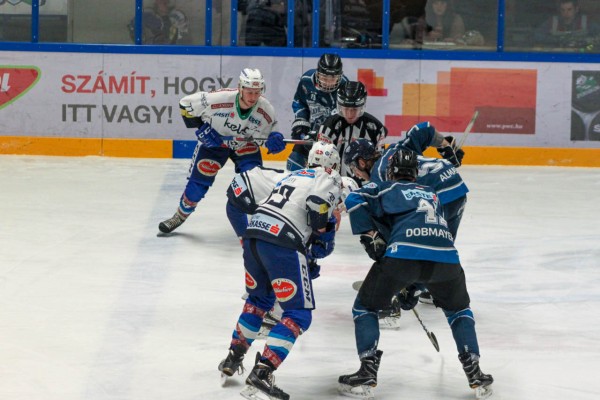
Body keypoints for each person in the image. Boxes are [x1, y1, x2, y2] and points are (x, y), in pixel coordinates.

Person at [338, 149, 493, 400]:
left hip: (403, 257)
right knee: (459, 311)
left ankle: (367, 370)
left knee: (365, 307)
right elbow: (427, 242)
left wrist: (370, 236)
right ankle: (474, 371)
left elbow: (354, 198)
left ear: (391, 171)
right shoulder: (432, 195)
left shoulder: (386, 188)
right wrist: (415, 288)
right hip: (447, 260)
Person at [218, 142, 343, 400]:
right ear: (334, 165)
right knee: (298, 314)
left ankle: (233, 356)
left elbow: (243, 182)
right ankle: (262, 371)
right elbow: (318, 208)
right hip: (283, 241)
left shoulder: (289, 175)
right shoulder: (329, 177)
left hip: (254, 234)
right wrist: (325, 229)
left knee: (258, 301)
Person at [344, 123, 468, 304]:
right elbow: (423, 129)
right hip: (457, 188)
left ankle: (403, 284)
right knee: (439, 242)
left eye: (353, 168)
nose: (356, 174)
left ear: (361, 162)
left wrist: (374, 238)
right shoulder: (396, 149)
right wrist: (447, 146)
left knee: (393, 225)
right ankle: (425, 286)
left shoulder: (380, 178)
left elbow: (360, 203)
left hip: (438, 195)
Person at [157, 68, 286, 234]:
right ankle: (179, 216)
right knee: (197, 186)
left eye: (257, 92)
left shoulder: (265, 108)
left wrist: (275, 139)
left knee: (254, 181)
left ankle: (260, 221)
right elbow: (185, 104)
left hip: (244, 145)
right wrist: (202, 127)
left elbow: (271, 132)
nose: (253, 97)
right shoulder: (220, 98)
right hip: (215, 145)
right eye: (249, 92)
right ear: (240, 88)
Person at [286, 53, 348, 171]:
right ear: (318, 73)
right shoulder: (306, 81)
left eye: (332, 78)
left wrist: (323, 132)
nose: (328, 83)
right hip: (310, 134)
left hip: (333, 138)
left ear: (339, 76)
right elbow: (299, 102)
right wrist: (301, 122)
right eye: (324, 78)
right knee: (294, 163)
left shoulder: (345, 87)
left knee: (332, 170)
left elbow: (344, 116)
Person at [317, 80, 388, 178]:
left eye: (354, 109)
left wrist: (370, 179)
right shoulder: (328, 126)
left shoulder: (375, 127)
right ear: (340, 106)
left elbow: (380, 162)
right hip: (332, 180)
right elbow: (320, 159)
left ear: (362, 106)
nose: (350, 114)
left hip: (365, 183)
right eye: (346, 108)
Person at [534, 0, 600, 48]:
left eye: (569, 9)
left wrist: (586, 42)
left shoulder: (585, 22)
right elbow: (537, 35)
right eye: (563, 10)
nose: (566, 13)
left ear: (576, 9)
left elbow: (598, 35)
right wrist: (556, 40)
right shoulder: (552, 22)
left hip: (581, 54)